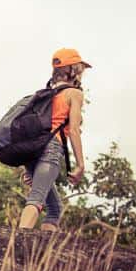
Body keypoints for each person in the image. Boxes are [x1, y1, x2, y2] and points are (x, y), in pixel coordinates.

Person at [18, 48, 89, 231]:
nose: (82, 74)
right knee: (37, 198)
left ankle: (43, 257)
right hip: (51, 150)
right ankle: (17, 244)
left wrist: (29, 166)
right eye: (80, 69)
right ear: (73, 70)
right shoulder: (74, 94)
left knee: (55, 209)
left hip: (34, 152)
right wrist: (80, 165)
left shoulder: (45, 95)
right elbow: (73, 130)